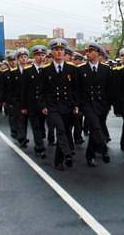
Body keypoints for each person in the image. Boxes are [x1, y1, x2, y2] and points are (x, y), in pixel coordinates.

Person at [39, 38, 79, 170]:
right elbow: (42, 90)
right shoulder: (45, 70)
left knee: (66, 131)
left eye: (61, 50)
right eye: (56, 50)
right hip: (53, 106)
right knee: (60, 130)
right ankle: (68, 154)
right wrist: (43, 105)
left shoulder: (71, 69)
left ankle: (58, 161)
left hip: (68, 106)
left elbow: (75, 89)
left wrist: (76, 105)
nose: (59, 52)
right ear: (52, 52)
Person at [77, 43, 111, 167]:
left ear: (97, 53)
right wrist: (78, 105)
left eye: (90, 51)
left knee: (95, 130)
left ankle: (90, 155)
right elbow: (78, 89)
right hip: (87, 104)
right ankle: (104, 150)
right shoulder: (81, 69)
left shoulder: (106, 69)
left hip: (102, 104)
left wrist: (108, 104)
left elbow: (109, 88)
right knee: (96, 127)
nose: (88, 53)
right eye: (87, 51)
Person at [21, 45, 48, 159]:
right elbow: (23, 90)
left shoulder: (48, 70)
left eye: (42, 55)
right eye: (37, 55)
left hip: (45, 104)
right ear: (34, 57)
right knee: (35, 126)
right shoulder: (28, 70)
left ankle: (40, 141)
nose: (40, 57)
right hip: (32, 104)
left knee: (42, 126)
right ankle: (39, 147)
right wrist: (23, 106)